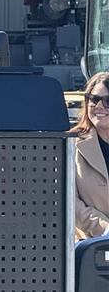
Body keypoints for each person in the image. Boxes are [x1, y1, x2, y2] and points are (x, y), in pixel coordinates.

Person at [71, 72, 109, 239]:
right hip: (90, 245)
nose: (99, 106)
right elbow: (69, 201)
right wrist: (105, 229)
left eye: (108, 101)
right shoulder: (71, 145)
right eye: (93, 99)